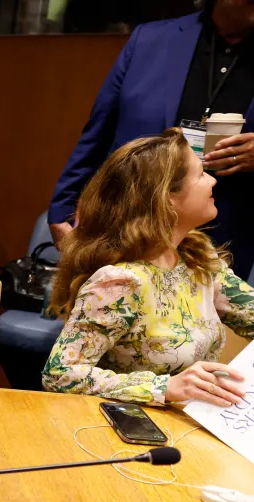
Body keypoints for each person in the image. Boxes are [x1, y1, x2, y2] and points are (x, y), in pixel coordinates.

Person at [43, 129, 254, 407]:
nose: (213, 180)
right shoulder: (120, 281)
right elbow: (60, 375)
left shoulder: (197, 257)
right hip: (126, 423)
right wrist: (165, 387)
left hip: (190, 421)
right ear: (166, 197)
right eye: (201, 174)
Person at [49, 0, 254, 278]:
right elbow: (99, 131)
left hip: (230, 237)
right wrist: (63, 207)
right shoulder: (150, 39)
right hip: (131, 230)